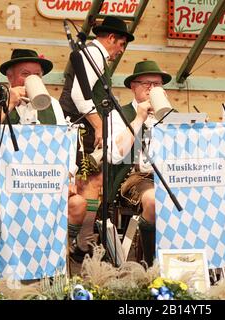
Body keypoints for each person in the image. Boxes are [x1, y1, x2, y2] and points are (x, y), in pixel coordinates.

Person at [0, 48, 87, 263]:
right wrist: (9, 105)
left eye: (38, 75)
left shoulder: (51, 105)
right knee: (0, 206)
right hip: (0, 182)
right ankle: (8, 264)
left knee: (78, 204)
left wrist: (69, 176)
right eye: (26, 74)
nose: (33, 79)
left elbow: (65, 144)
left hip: (43, 183)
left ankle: (54, 258)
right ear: (10, 77)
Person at [59, 17, 134, 261]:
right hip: (81, 128)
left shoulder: (95, 57)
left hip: (83, 127)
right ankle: (80, 242)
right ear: (111, 38)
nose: (120, 50)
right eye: (121, 43)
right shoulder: (93, 54)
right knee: (89, 183)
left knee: (95, 181)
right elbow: (80, 96)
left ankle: (84, 240)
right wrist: (99, 126)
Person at [107, 60, 172, 267]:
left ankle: (189, 263)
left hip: (172, 176)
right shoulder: (119, 114)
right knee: (154, 199)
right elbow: (114, 156)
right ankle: (151, 263)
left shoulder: (172, 115)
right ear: (133, 86)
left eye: (157, 84)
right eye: (146, 83)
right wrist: (139, 119)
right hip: (134, 176)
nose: (152, 88)